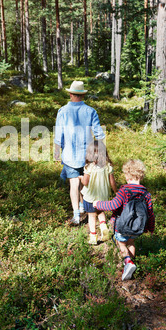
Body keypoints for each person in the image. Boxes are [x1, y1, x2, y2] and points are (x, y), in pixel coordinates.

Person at [93, 159, 155, 281]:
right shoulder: (146, 194)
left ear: (127, 175)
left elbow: (113, 205)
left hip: (121, 226)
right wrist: (150, 227)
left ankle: (127, 262)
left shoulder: (124, 191)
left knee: (121, 244)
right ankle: (130, 263)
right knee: (131, 243)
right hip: (137, 227)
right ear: (140, 176)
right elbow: (150, 213)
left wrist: (98, 204)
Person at [54, 80, 105, 225]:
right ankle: (84, 207)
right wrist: (100, 154)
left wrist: (57, 154)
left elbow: (58, 135)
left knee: (74, 184)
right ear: (82, 95)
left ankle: (76, 215)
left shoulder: (62, 111)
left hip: (69, 155)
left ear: (70, 94)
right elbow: (99, 135)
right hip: (87, 155)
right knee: (84, 181)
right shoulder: (90, 111)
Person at [79, 140, 117, 245]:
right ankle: (103, 226)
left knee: (91, 216)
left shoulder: (88, 167)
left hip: (90, 198)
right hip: (103, 197)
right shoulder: (108, 166)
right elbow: (112, 182)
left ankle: (93, 236)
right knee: (101, 212)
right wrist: (116, 192)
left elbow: (85, 183)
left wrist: (81, 178)